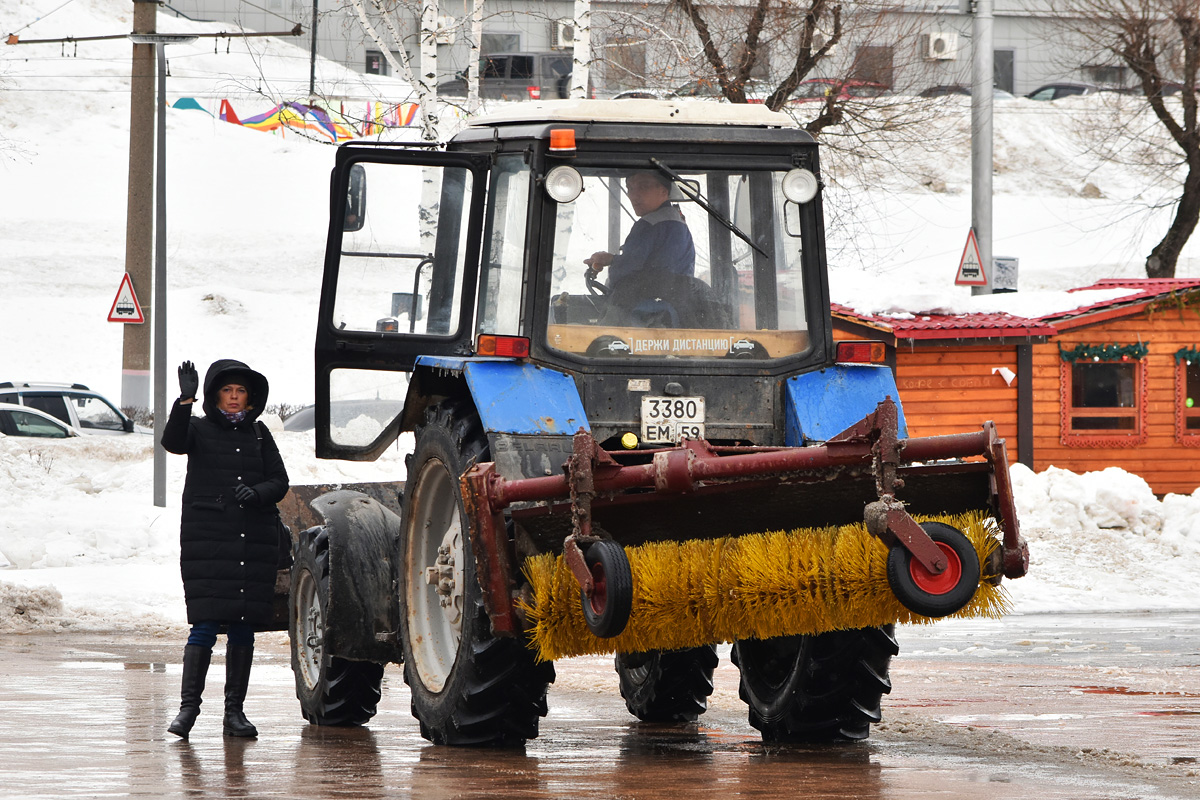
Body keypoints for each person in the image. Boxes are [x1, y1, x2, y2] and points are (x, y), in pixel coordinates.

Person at [162, 358, 289, 739]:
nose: (234, 398)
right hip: (210, 542)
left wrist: (258, 493)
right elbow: (173, 442)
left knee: (242, 629)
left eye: (241, 392)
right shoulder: (198, 429)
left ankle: (235, 713)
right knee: (203, 626)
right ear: (216, 394)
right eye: (227, 391)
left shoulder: (260, 435)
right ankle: (188, 711)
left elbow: (279, 480)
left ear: (250, 399)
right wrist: (184, 400)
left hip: (252, 542)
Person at [584, 170, 696, 286]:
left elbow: (626, 272)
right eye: (630, 189)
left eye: (643, 187)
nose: (633, 195)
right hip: (676, 300)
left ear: (663, 191)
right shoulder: (678, 223)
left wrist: (615, 267)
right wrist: (612, 259)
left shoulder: (649, 224)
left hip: (649, 300)